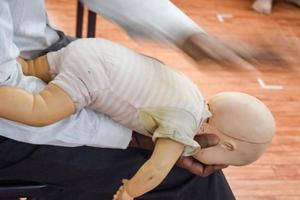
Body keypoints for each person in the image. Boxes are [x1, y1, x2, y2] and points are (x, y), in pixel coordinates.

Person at [0, 0, 235, 199]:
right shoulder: (179, 123)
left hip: (61, 55)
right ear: (228, 145)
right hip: (13, 107)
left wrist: (184, 32)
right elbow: (155, 170)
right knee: (190, 181)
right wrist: (129, 149)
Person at [10, 38, 275, 199]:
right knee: (38, 109)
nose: (216, 165)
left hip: (90, 51)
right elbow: (155, 170)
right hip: (93, 75)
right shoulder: (182, 128)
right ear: (227, 146)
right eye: (223, 162)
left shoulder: (192, 93)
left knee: (28, 68)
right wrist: (130, 192)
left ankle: (13, 69)